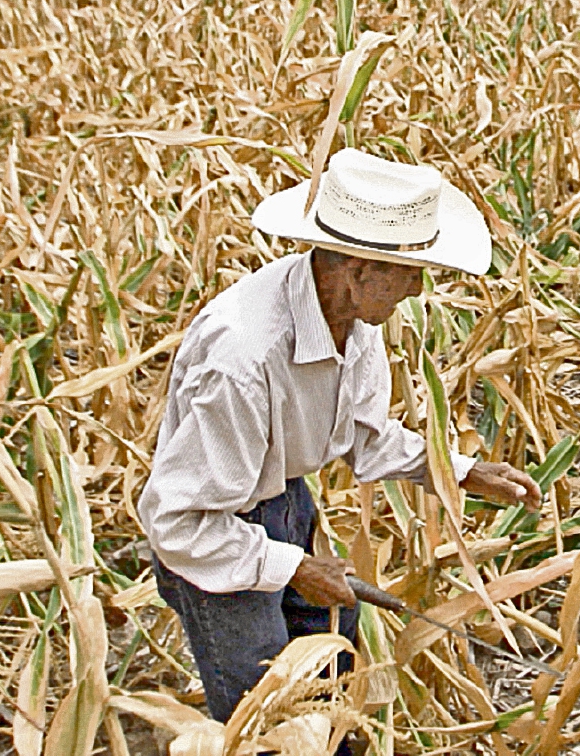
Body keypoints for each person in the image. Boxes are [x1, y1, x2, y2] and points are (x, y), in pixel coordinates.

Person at [138, 148, 542, 735]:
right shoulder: (244, 358)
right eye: (409, 271)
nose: (417, 287)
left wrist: (461, 471)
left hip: (283, 502)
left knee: (329, 659)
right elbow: (177, 523)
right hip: (215, 538)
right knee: (267, 708)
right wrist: (292, 565)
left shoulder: (352, 319)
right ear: (358, 268)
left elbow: (364, 434)